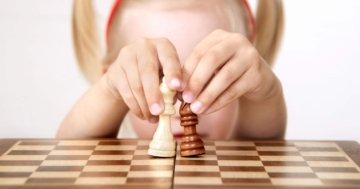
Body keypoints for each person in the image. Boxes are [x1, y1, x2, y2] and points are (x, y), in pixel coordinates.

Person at [56, 0, 287, 140]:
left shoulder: (238, 167)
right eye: (157, 78)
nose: (181, 108)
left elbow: (262, 144)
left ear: (242, 79)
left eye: (209, 78)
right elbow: (67, 156)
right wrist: (108, 91)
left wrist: (266, 95)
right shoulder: (113, 172)